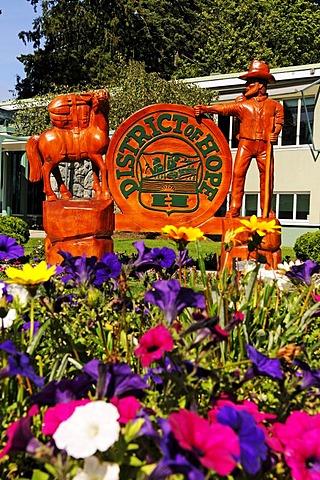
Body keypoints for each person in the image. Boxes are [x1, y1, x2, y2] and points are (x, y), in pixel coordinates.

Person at [194, 60, 284, 218]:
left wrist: (275, 132)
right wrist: (206, 109)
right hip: (246, 144)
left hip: (265, 147)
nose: (247, 87)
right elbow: (224, 109)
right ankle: (234, 207)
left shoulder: (275, 105)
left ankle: (267, 210)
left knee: (267, 178)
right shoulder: (242, 105)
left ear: (260, 85)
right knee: (238, 174)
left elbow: (279, 122)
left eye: (250, 84)